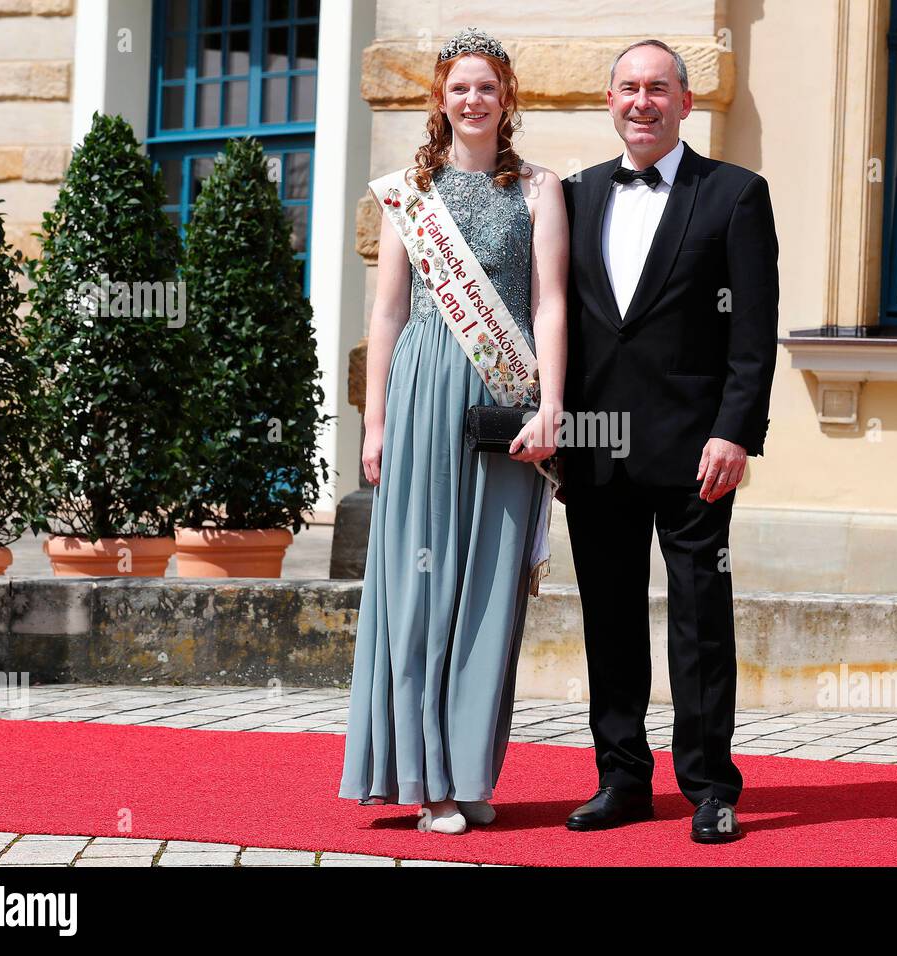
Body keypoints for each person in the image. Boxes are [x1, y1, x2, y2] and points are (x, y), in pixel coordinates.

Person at [338, 27, 569, 835]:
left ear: (508, 100)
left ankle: (467, 770)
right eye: (460, 86)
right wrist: (375, 421)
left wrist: (551, 405)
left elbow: (549, 304)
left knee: (491, 585)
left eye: (488, 86)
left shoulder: (541, 188)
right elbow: (390, 310)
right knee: (421, 581)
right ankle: (423, 778)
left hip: (504, 398)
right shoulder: (410, 192)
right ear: (442, 98)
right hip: (426, 388)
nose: (474, 99)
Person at [561, 39, 778, 843]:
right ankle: (620, 778)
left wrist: (737, 432)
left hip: (696, 450)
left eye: (658, 88)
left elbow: (754, 335)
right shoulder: (576, 195)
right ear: (610, 101)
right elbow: (563, 330)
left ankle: (711, 786)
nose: (641, 102)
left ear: (685, 102)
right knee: (608, 618)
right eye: (627, 88)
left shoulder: (735, 195)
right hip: (594, 447)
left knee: (698, 619)